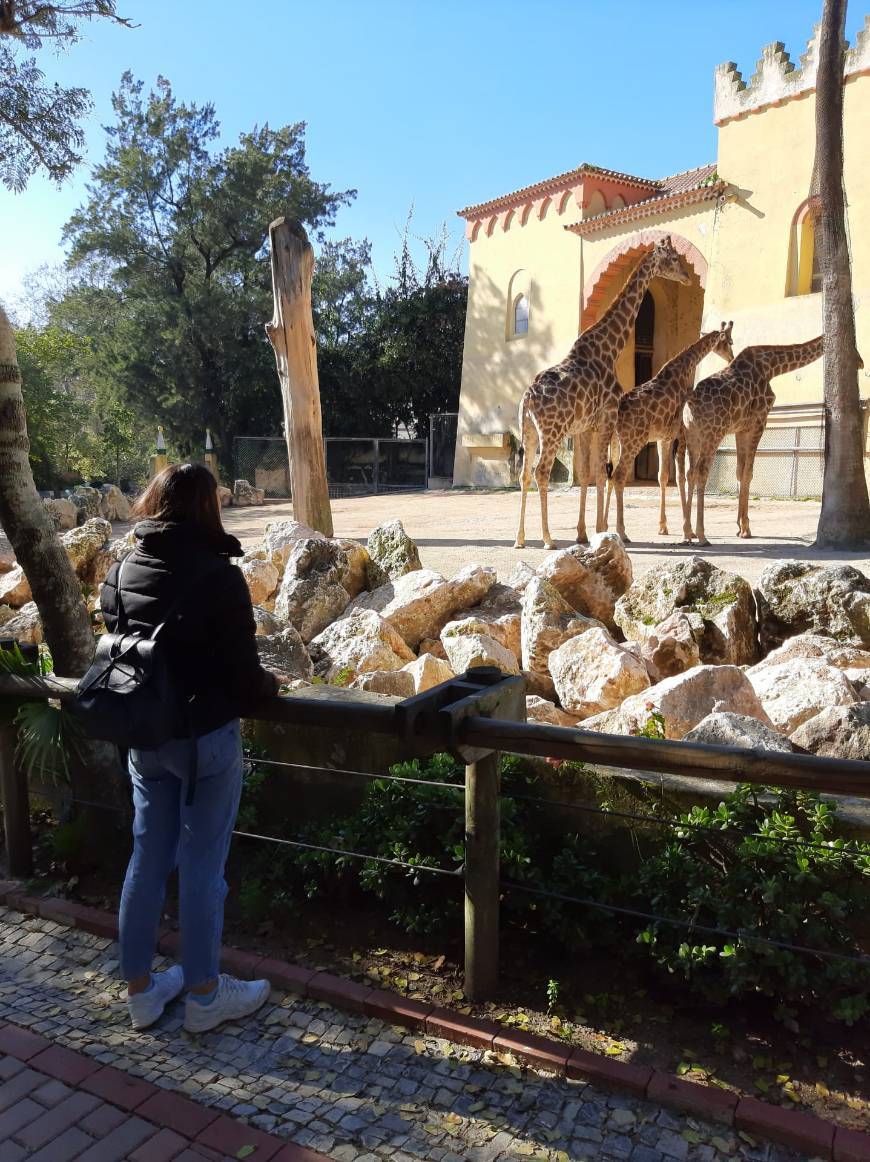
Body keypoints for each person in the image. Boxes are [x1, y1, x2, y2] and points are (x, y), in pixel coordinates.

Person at [100, 463, 279, 1032]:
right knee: (203, 865)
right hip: (204, 739)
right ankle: (204, 995)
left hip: (144, 734)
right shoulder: (219, 576)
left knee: (147, 856)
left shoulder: (123, 565)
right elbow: (247, 677)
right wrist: (274, 689)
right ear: (209, 507)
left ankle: (141, 991)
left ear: (153, 503)